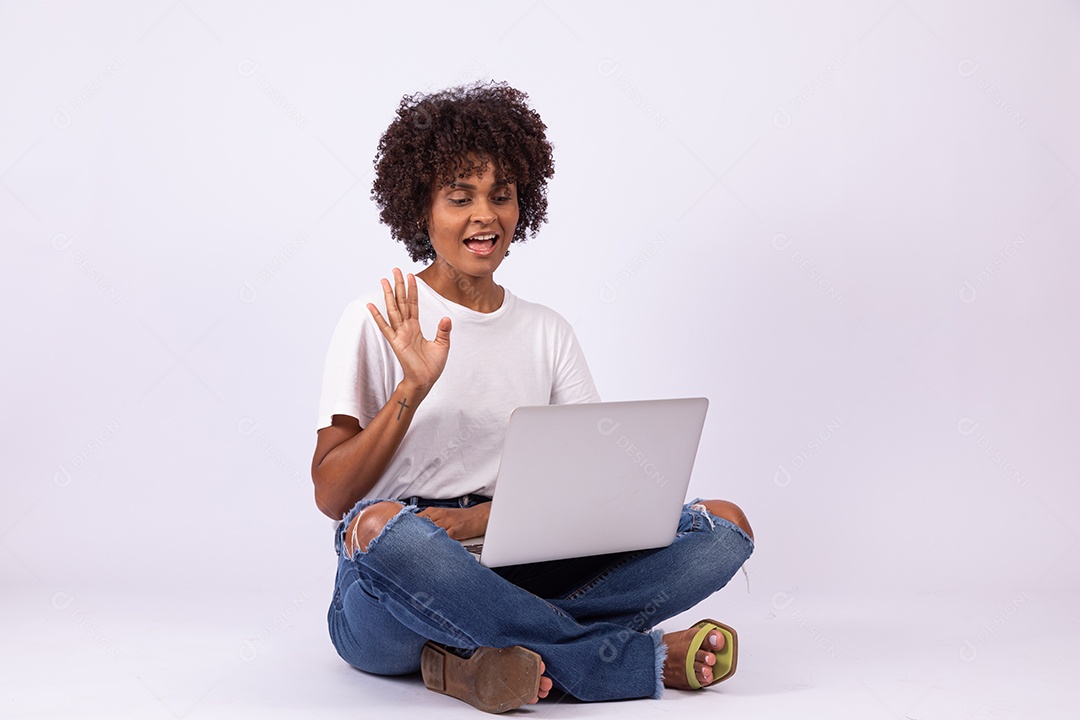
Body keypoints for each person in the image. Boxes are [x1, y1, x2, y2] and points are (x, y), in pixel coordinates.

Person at [311, 82, 755, 713]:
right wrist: (411, 391)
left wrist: (474, 523)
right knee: (384, 530)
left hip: (518, 553)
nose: (484, 216)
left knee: (725, 527)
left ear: (525, 203)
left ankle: (485, 656)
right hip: (396, 580)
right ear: (421, 208)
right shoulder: (376, 318)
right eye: (459, 198)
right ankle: (624, 662)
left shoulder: (547, 332)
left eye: (501, 195)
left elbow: (592, 494)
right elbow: (333, 497)